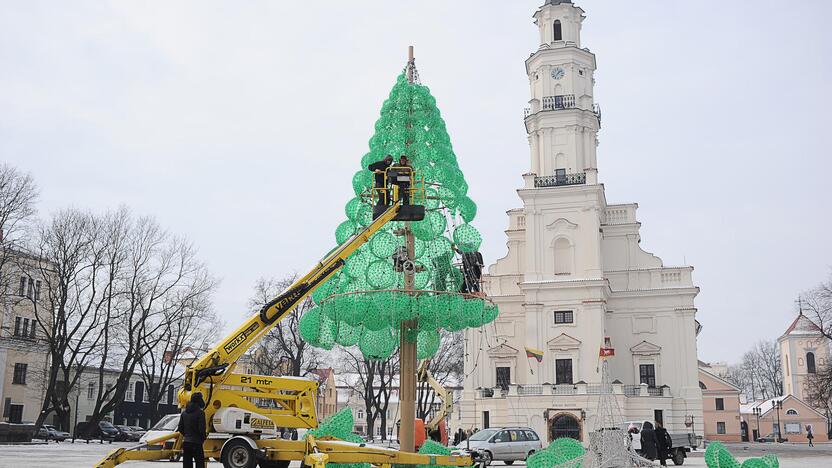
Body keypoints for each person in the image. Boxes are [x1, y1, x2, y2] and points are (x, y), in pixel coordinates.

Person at [177, 392, 207, 468]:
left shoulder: (184, 413)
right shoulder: (200, 413)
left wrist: (187, 435)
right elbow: (201, 429)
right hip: (197, 443)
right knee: (200, 464)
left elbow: (180, 428)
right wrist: (203, 438)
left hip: (186, 442)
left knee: (187, 465)